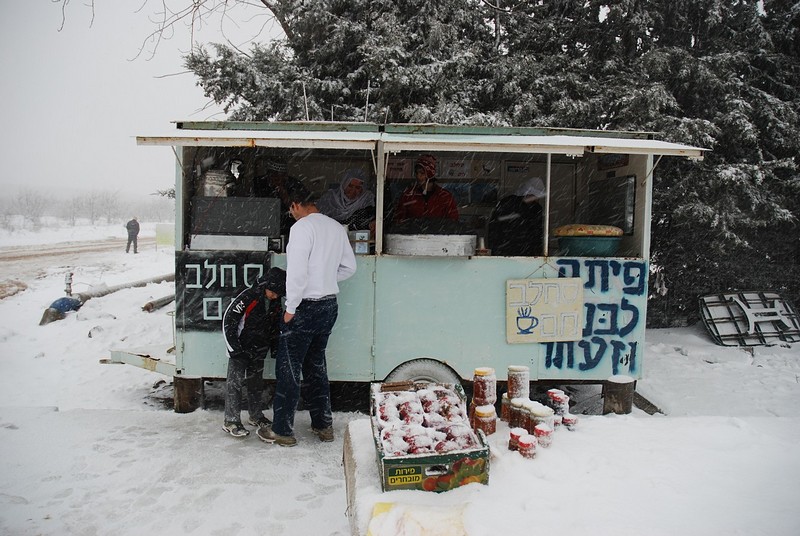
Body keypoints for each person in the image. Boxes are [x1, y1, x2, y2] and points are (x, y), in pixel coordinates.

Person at [257, 190, 357, 447]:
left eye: (290, 210)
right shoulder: (335, 227)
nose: (291, 215)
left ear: (295, 205)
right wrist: (325, 280)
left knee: (289, 369)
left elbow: (297, 273)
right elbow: (350, 267)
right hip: (328, 306)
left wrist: (291, 307)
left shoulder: (302, 228)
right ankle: (323, 425)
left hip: (304, 307)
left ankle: (282, 430)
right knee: (316, 367)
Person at [221, 267, 286, 438]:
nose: (276, 296)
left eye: (279, 294)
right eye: (274, 292)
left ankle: (256, 415)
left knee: (255, 384)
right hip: (240, 349)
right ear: (266, 285)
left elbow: (275, 326)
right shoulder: (248, 296)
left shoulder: (274, 302)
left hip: (259, 350)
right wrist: (234, 349)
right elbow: (229, 319)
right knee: (234, 384)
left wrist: (274, 348)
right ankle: (231, 420)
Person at [393, 154, 459, 225]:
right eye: (416, 172)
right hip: (412, 235)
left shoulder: (445, 196)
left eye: (422, 173)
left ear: (430, 174)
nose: (418, 176)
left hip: (439, 235)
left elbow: (453, 222)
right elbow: (399, 220)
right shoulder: (408, 195)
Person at [487, 177, 546, 256]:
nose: (537, 199)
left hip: (503, 251)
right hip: (526, 254)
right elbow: (537, 234)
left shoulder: (505, 203)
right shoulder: (535, 209)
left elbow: (493, 228)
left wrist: (494, 250)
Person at [253, 158, 308, 238]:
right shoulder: (258, 183)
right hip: (261, 226)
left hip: (288, 228)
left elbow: (299, 209)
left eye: (280, 176)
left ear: (285, 175)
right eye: (273, 175)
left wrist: (282, 191)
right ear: (268, 174)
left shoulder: (294, 185)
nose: (276, 179)